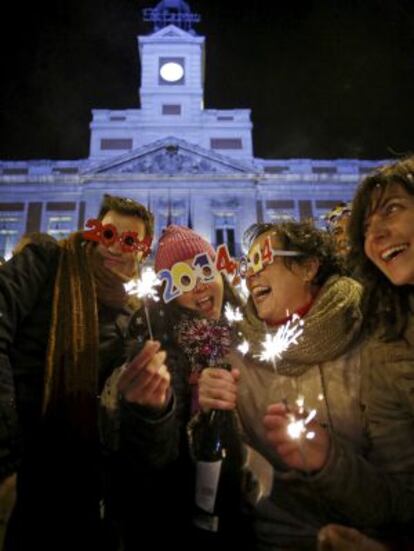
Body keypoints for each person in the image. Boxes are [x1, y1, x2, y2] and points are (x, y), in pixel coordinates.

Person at [0, 193, 169, 551]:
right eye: (107, 235)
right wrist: (6, 459)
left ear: (143, 251)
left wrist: (152, 408)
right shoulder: (47, 262)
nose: (115, 248)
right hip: (20, 472)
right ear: (93, 233)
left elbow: (126, 432)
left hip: (85, 490)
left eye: (129, 241)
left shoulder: (134, 318)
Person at [199, 220, 365, 550]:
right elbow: (232, 472)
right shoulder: (236, 357)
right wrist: (207, 415)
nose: (249, 274)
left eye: (262, 259)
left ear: (308, 267)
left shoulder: (368, 332)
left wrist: (329, 460)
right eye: (247, 264)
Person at [101, 224, 257, 550]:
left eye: (205, 269)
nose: (199, 284)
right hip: (170, 528)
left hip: (239, 520)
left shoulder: (247, 338)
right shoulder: (153, 349)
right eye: (183, 278)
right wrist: (153, 413)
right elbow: (142, 465)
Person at [314, 157, 414, 549]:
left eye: (392, 209)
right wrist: (326, 461)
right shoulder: (385, 343)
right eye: (366, 228)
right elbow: (403, 493)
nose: (378, 235)